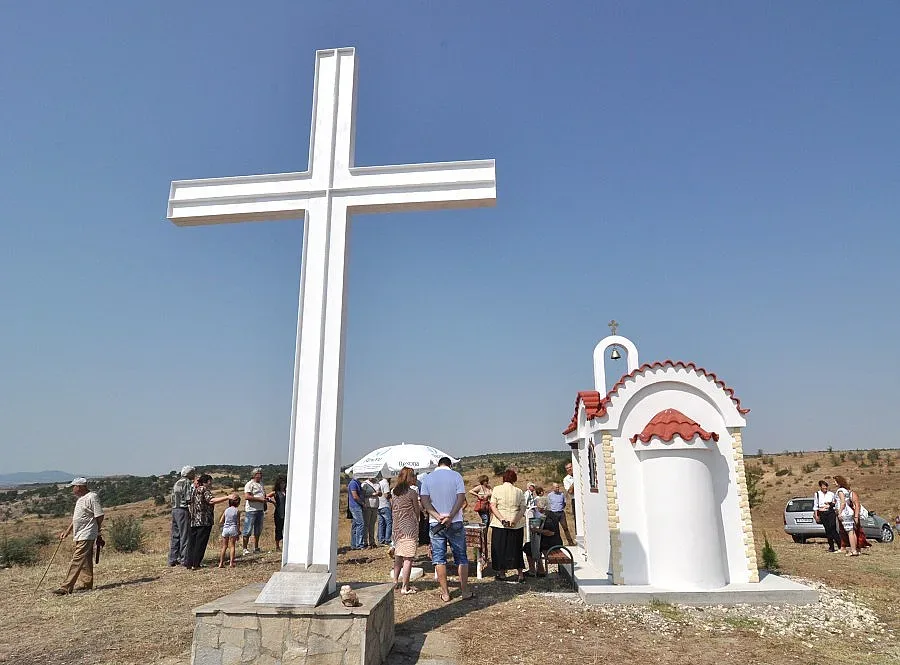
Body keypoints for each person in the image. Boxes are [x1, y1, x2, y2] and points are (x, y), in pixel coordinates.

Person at [420, 457, 473, 602]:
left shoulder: (427, 479)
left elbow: (424, 501)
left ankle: (445, 593)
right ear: (450, 465)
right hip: (455, 521)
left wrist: (438, 516)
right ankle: (465, 591)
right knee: (461, 557)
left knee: (439, 558)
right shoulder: (456, 476)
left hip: (435, 523)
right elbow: (461, 499)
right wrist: (450, 516)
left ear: (438, 465)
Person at [54, 478, 104, 595]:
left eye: (74, 486)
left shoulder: (92, 497)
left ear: (80, 487)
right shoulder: (80, 500)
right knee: (85, 560)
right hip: (80, 533)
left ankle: (66, 587)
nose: (73, 489)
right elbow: (76, 519)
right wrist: (67, 532)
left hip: (87, 533)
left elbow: (99, 515)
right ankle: (86, 584)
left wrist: (97, 530)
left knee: (77, 559)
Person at [185, 474, 231, 569]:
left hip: (194, 520)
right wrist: (227, 497)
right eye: (210, 481)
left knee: (192, 542)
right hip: (204, 520)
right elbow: (211, 500)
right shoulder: (204, 490)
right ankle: (196, 563)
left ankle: (189, 563)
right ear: (207, 481)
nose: (211, 483)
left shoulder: (194, 490)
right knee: (200, 543)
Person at [489, 468, 526, 583]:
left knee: (500, 548)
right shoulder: (519, 491)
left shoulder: (497, 489)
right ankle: (520, 574)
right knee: (516, 548)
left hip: (500, 524)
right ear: (514, 479)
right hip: (516, 524)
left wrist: (502, 519)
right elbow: (523, 508)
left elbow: (493, 506)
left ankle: (502, 573)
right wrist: (515, 520)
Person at [390, 467, 421, 594]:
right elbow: (416, 510)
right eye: (412, 476)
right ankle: (405, 586)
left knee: (398, 556)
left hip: (397, 527)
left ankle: (395, 581)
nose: (414, 478)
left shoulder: (394, 492)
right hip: (409, 527)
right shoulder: (411, 492)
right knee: (408, 558)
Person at [168, 465, 196, 567]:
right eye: (193, 473)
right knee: (185, 536)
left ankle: (172, 559)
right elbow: (189, 498)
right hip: (183, 510)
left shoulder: (177, 482)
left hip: (175, 509)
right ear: (189, 474)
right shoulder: (187, 482)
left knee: (175, 535)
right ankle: (185, 560)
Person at [523, 509, 563, 577]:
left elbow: (551, 533)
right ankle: (539, 570)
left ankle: (536, 571)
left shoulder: (549, 518)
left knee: (529, 547)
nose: (537, 509)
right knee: (529, 546)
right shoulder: (548, 514)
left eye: (538, 508)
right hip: (551, 541)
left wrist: (537, 530)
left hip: (551, 543)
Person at [242, 467, 272, 555]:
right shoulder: (249, 484)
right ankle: (245, 548)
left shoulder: (261, 484)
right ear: (254, 475)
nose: (260, 475)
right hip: (251, 510)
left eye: (261, 473)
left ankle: (256, 547)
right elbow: (247, 497)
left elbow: (263, 495)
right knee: (248, 530)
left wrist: (266, 499)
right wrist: (260, 499)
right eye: (259, 473)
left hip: (260, 510)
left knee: (258, 530)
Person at [834, 475, 860, 557]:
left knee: (849, 532)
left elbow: (843, 502)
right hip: (849, 512)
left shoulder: (840, 491)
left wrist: (840, 512)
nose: (834, 483)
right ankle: (854, 549)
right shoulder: (846, 491)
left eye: (835, 481)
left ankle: (853, 550)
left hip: (845, 512)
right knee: (851, 531)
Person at [813, 479, 839, 552]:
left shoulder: (831, 494)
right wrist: (816, 515)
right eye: (823, 487)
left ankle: (840, 545)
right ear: (820, 487)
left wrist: (830, 504)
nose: (825, 489)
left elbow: (835, 503)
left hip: (830, 512)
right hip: (822, 513)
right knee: (827, 530)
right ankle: (831, 547)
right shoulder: (817, 494)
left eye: (826, 487)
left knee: (833, 528)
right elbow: (815, 506)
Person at [218, 494, 241, 568]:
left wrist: (224, 525)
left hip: (225, 529)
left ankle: (221, 563)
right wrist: (238, 532)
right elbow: (238, 523)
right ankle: (231, 563)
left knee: (224, 546)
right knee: (232, 546)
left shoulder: (226, 510)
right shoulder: (237, 511)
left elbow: (221, 521)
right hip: (233, 528)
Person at [267, 475, 287, 552]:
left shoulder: (287, 491)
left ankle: (285, 545)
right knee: (278, 529)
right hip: (278, 512)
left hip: (286, 513)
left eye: (284, 483)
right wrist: (272, 502)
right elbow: (266, 497)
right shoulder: (275, 492)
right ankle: (277, 546)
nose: (283, 485)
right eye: (281, 483)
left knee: (285, 529)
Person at [347, 473, 365, 550]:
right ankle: (359, 544)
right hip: (355, 506)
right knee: (360, 523)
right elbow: (355, 496)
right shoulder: (353, 483)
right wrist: (362, 503)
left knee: (355, 525)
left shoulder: (357, 482)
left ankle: (354, 544)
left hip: (356, 506)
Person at [361, 477, 380, 548]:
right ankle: (365, 542)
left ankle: (372, 541)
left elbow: (380, 494)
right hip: (368, 506)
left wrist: (379, 494)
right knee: (366, 524)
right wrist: (372, 494)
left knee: (372, 524)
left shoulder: (377, 483)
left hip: (375, 505)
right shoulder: (364, 484)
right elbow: (362, 495)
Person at [377, 475, 392, 546]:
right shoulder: (386, 483)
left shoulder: (379, 483)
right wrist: (391, 494)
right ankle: (387, 539)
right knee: (389, 522)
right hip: (385, 505)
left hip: (379, 505)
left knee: (381, 523)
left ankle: (381, 539)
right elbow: (386, 495)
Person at [563, 462, 576, 529]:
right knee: (577, 519)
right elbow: (570, 491)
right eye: (567, 468)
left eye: (570, 467)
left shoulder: (580, 474)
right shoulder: (566, 479)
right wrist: (575, 481)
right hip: (575, 500)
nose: (569, 469)